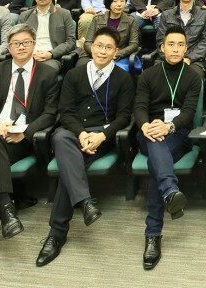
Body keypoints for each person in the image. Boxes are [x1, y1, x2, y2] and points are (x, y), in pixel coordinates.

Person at [0, 24, 60, 271]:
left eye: (26, 42)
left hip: (20, 139)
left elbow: (50, 113)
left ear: (34, 44)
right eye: (16, 43)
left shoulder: (47, 74)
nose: (22, 47)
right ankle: (7, 208)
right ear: (8, 46)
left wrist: (26, 133)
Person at [36, 26, 134, 266]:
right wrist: (81, 133)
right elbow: (65, 112)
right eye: (99, 46)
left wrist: (102, 135)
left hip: (101, 137)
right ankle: (84, 202)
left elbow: (123, 116)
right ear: (91, 47)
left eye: (108, 47)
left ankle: (56, 234)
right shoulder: (74, 75)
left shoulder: (123, 78)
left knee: (69, 170)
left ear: (116, 51)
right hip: (73, 134)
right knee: (60, 138)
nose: (102, 51)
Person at [134, 26, 201, 270]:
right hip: (149, 132)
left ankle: (153, 234)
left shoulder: (193, 76)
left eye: (180, 45)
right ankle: (170, 192)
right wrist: (145, 126)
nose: (175, 49)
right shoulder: (148, 75)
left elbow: (189, 112)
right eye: (170, 44)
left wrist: (169, 127)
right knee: (156, 150)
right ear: (162, 48)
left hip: (178, 134)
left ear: (186, 48)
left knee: (156, 162)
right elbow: (139, 107)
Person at [155, 0, 206, 77]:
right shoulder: (166, 15)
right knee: (155, 74)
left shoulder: (205, 15)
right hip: (169, 57)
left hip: (194, 61)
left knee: (195, 75)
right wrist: (172, 57)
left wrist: (189, 58)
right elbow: (161, 40)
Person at [16, 0, 77, 72]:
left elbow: (71, 42)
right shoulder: (24, 15)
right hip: (27, 56)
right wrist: (28, 53)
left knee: (43, 72)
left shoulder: (64, 14)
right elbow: (18, 40)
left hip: (51, 58)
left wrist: (51, 54)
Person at [83, 0, 140, 72]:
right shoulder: (97, 19)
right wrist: (98, 53)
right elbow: (88, 42)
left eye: (122, 1)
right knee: (83, 68)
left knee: (117, 70)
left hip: (118, 57)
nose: (119, 4)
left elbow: (134, 44)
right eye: (115, 1)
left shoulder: (130, 20)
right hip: (97, 55)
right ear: (108, 2)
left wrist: (117, 53)